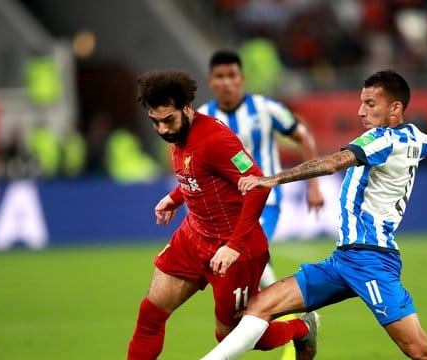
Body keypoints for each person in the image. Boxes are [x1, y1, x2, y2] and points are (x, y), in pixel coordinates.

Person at [201, 70, 427, 360]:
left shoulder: (381, 140)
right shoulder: (414, 137)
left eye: (370, 104)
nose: (361, 111)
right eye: (361, 102)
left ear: (395, 108)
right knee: (260, 307)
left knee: (420, 349)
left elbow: (333, 162)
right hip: (343, 260)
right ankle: (296, 331)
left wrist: (272, 179)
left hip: (370, 260)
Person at [127, 70, 319, 360]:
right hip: (194, 237)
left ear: (186, 108)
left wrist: (234, 246)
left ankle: (301, 328)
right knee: (150, 313)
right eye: (156, 122)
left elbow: (257, 184)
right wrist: (175, 197)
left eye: (168, 120)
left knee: (231, 335)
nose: (163, 129)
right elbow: (201, 174)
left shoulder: (215, 138)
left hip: (235, 249)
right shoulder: (180, 136)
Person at [197, 50, 325, 289]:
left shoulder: (266, 108)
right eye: (220, 76)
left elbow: (303, 137)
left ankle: (287, 320)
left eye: (231, 75)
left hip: (265, 200)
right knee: (242, 264)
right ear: (211, 81)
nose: (226, 82)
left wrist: (314, 185)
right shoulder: (203, 117)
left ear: (241, 78)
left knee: (243, 254)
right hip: (226, 207)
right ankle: (282, 319)